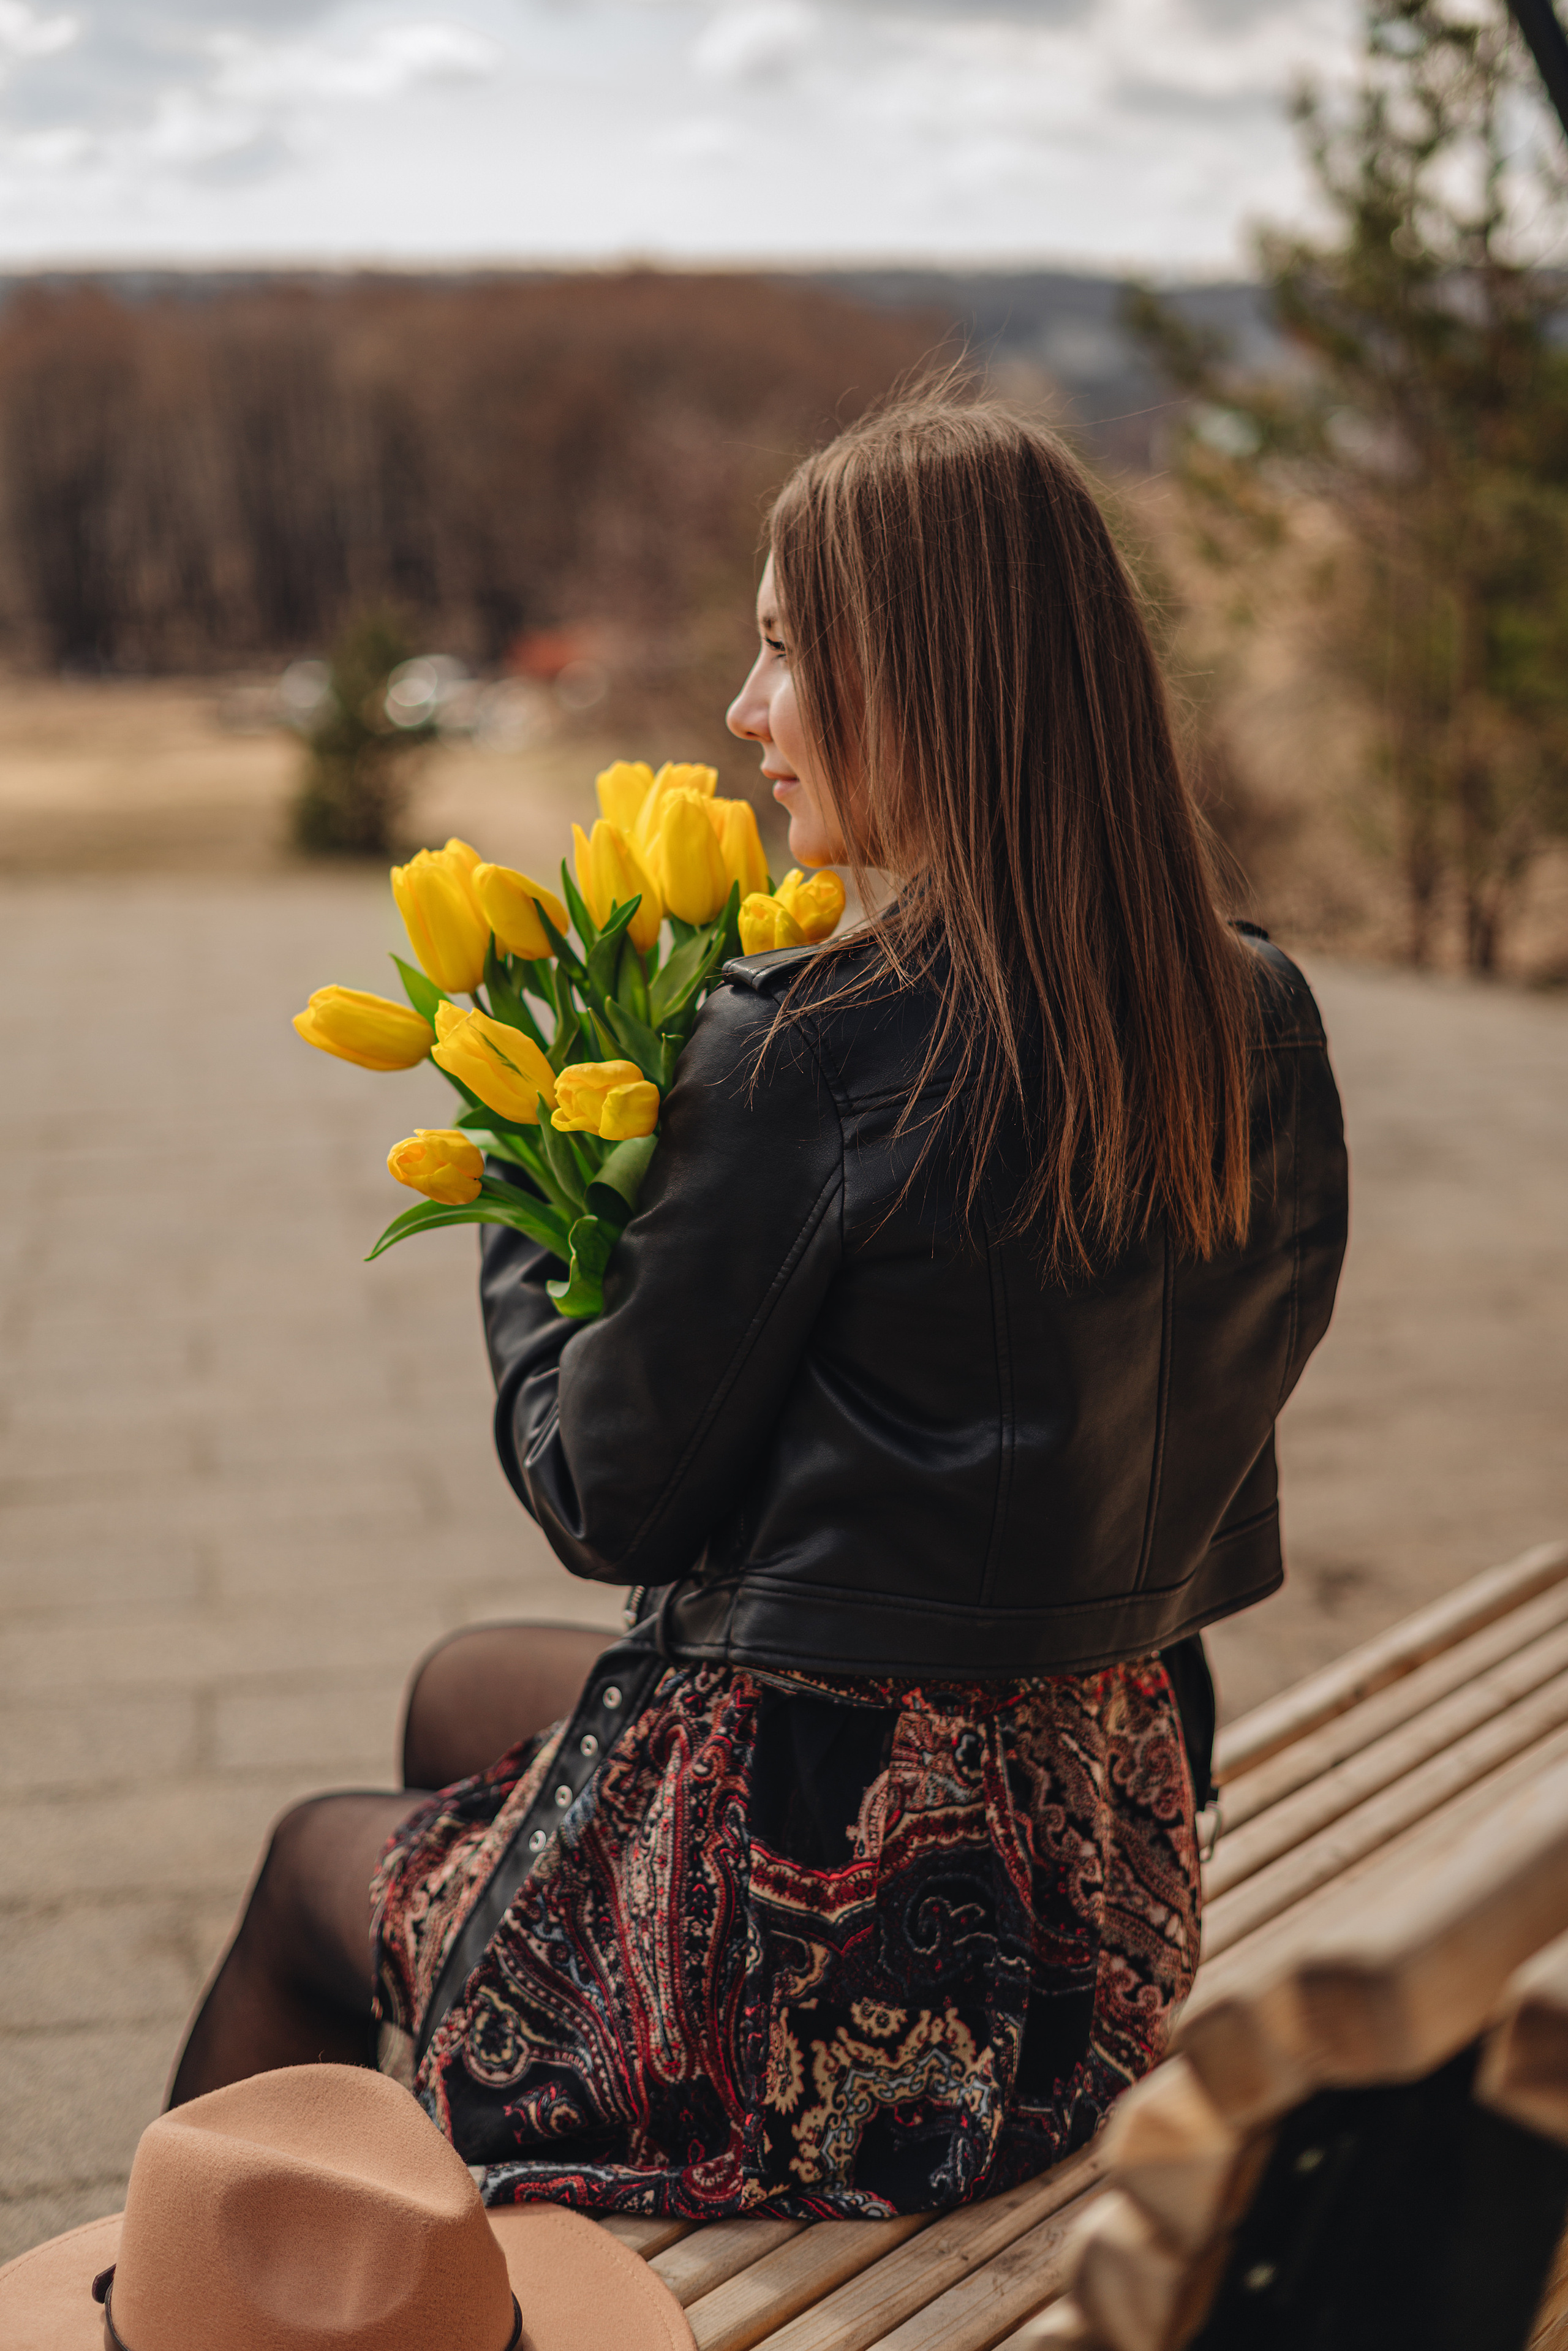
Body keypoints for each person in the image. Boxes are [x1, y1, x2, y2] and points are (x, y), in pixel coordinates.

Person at [168, 392, 1348, 2222]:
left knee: (302, 1870)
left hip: (838, 1980)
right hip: (1097, 1882)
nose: (744, 713)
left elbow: (605, 1500)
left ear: (925, 684)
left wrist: (527, 1174)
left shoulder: (807, 1047)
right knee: (453, 1699)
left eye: (785, 649)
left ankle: (165, 2297)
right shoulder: (1249, 1011)